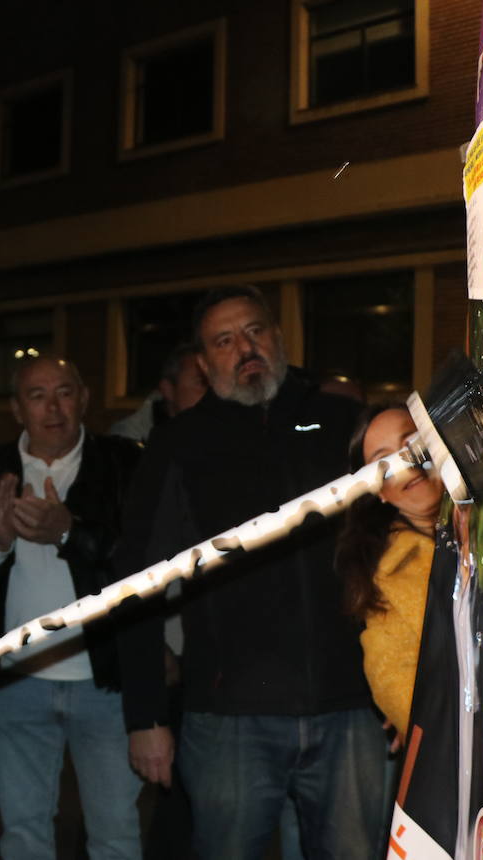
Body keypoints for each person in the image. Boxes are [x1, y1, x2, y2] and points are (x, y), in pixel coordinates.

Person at [115, 284, 387, 859]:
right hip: (228, 721)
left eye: (255, 331)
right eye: (225, 339)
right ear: (203, 361)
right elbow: (136, 585)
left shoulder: (342, 423)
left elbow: (398, 544)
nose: (246, 347)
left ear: (278, 338)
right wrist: (145, 716)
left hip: (348, 710)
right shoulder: (177, 446)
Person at [0, 356, 144, 860]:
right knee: (22, 835)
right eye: (38, 395)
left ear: (84, 399)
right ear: (17, 408)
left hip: (104, 681)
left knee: (115, 835)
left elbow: (143, 563)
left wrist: (68, 531)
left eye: (65, 392)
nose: (53, 407)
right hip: (18, 679)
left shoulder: (123, 463)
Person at [337, 404, 443, 746]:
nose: (405, 462)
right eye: (384, 461)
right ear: (379, 491)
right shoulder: (385, 575)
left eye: (411, 441)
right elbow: (392, 678)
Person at [110, 343, 207, 443]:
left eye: (213, 384)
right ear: (168, 390)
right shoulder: (129, 438)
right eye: (201, 383)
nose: (211, 394)